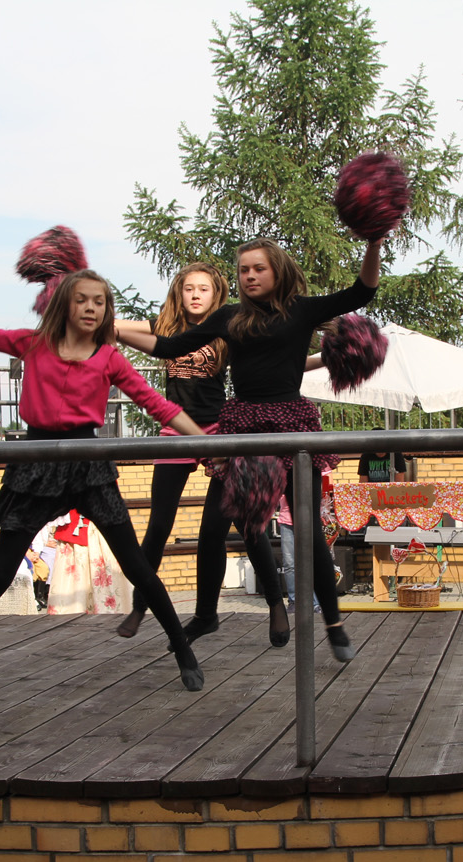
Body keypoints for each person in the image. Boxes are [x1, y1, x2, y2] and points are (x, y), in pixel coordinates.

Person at [0, 269, 210, 701]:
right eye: (82, 300)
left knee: (137, 566)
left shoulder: (109, 357)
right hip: (36, 465)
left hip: (88, 467)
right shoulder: (33, 344)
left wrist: (208, 445)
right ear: (65, 305)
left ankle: (183, 649)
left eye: (99, 301)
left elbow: (158, 405)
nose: (91, 308)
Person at [117, 235, 384, 662]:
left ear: (277, 270)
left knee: (307, 528)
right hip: (243, 428)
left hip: (292, 426)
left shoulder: (302, 310)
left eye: (259, 268)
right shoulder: (230, 317)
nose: (250, 276)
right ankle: (206, 615)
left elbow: (362, 291)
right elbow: (168, 347)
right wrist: (112, 330)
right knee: (214, 528)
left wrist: (373, 244)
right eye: (244, 270)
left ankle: (334, 624)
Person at [114, 263, 231, 638]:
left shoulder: (227, 328)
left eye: (203, 289)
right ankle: (139, 606)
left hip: (216, 430)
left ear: (216, 294)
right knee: (159, 525)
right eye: (189, 288)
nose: (195, 294)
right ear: (179, 293)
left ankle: (213, 612)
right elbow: (116, 326)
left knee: (229, 528)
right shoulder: (166, 325)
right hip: (175, 429)